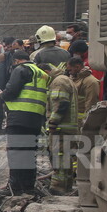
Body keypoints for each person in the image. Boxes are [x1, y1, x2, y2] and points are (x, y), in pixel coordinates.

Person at [0, 50, 49, 194]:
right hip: (36, 119)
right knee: (29, 154)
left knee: (16, 153)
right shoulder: (41, 73)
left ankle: (14, 188)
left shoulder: (20, 69)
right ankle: (28, 187)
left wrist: (1, 95)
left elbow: (12, 91)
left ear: (16, 61)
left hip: (19, 118)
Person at [46, 64, 79, 194]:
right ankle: (66, 187)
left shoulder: (58, 81)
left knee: (59, 157)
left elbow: (61, 103)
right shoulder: (65, 79)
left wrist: (53, 123)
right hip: (67, 128)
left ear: (47, 72)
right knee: (65, 158)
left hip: (61, 128)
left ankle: (58, 188)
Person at [69, 57, 100, 126]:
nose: (69, 72)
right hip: (72, 120)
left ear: (77, 67)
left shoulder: (91, 82)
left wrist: (86, 122)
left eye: (70, 70)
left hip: (82, 122)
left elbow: (91, 102)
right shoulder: (73, 79)